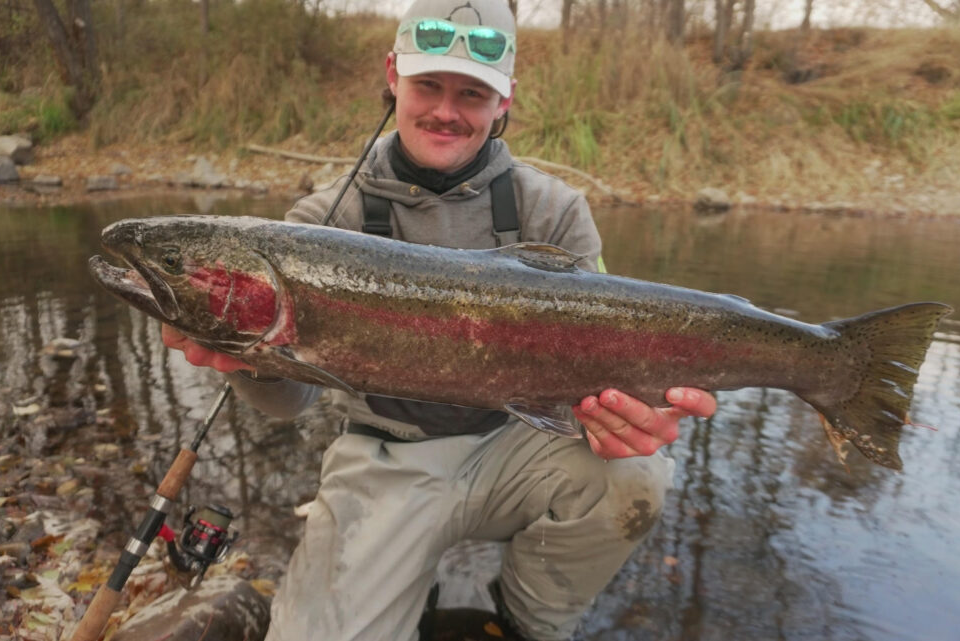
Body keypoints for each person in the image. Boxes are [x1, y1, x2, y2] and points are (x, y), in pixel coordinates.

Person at [162, 0, 717, 639]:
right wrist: (245, 362)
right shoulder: (320, 220)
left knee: (635, 474)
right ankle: (407, 588)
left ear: (503, 102)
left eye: (472, 93)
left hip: (521, 446)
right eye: (428, 85)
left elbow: (595, 361)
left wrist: (624, 406)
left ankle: (526, 618)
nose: (446, 111)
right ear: (393, 74)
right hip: (386, 452)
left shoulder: (556, 211)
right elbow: (291, 402)